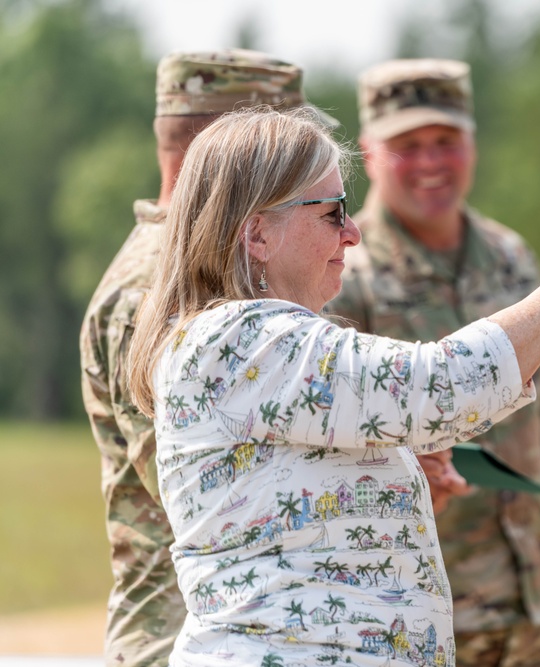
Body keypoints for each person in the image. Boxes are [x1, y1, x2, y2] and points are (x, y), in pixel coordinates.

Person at [124, 106, 540, 667]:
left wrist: (381, 487)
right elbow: (440, 386)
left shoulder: (239, 342)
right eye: (332, 212)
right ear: (256, 233)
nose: (352, 233)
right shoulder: (246, 338)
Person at [324, 57, 540, 666]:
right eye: (406, 145)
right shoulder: (345, 279)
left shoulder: (509, 257)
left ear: (471, 143)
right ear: (367, 151)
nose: (430, 163)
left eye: (446, 141)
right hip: (424, 614)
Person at [79, 49, 339, 667]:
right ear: (223, 145)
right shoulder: (154, 290)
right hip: (181, 637)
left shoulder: (203, 267)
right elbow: (208, 489)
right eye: (282, 142)